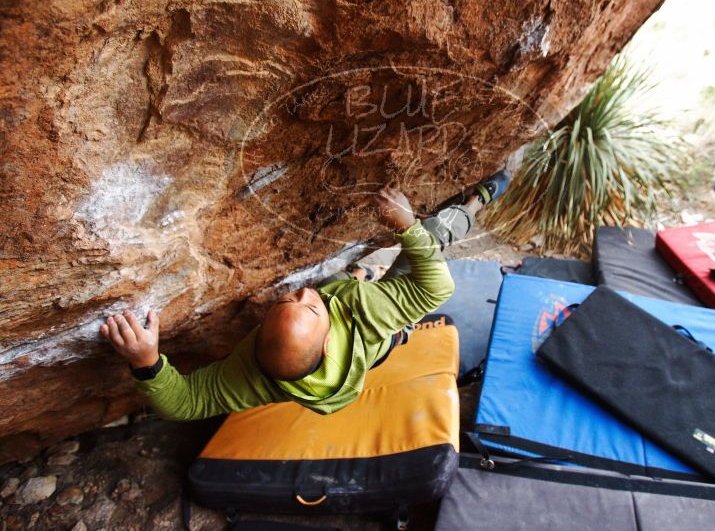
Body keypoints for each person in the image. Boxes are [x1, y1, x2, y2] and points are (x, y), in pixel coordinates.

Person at [99, 169, 511, 420]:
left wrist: (146, 360)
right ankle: (475, 204)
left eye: (286, 300)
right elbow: (438, 286)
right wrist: (406, 225)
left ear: (258, 341)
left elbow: (182, 404)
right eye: (311, 306)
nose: (303, 292)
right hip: (378, 333)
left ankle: (369, 271)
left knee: (366, 271)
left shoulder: (249, 379)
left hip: (352, 320)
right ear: (330, 337)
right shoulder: (368, 310)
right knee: (433, 236)